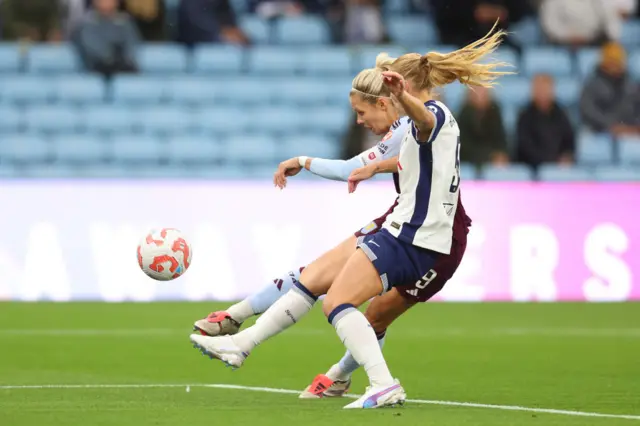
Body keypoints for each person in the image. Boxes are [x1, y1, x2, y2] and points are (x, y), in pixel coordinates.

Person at [190, 26, 510, 409]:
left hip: (417, 234)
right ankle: (241, 342)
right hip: (407, 226)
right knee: (318, 279)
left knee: (347, 305)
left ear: (402, 89)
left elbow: (424, 124)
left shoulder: (431, 116)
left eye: (365, 110)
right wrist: (375, 167)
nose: (360, 120)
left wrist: (401, 98)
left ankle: (374, 381)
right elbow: (412, 154)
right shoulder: (419, 125)